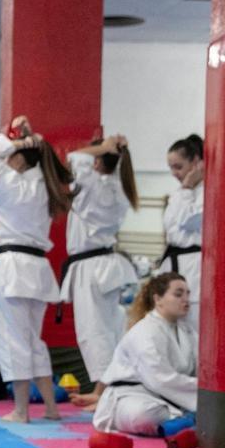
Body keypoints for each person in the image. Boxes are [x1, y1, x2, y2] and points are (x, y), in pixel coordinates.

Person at [0, 115, 74, 423]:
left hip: (12, 266)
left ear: (18, 158)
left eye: (12, 155)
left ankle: (21, 410)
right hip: (37, 269)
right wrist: (28, 140)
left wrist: (14, 140)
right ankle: (51, 408)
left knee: (13, 339)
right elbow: (36, 158)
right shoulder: (45, 186)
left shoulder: (11, 184)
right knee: (33, 339)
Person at [61, 135, 140, 410]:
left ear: (97, 161)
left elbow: (74, 155)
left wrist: (104, 147)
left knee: (94, 332)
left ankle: (104, 393)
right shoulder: (118, 186)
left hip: (93, 269)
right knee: (108, 329)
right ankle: (103, 390)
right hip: (104, 266)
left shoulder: (96, 185)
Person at [93, 272, 196, 436]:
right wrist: (201, 390)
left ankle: (183, 420)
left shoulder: (188, 332)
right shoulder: (145, 331)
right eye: (178, 294)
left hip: (171, 398)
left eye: (187, 294)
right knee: (143, 416)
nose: (185, 299)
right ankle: (189, 420)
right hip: (132, 396)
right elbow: (159, 378)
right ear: (158, 299)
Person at [157, 134, 204, 335]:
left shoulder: (206, 190)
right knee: (171, 330)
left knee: (192, 328)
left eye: (178, 166)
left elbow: (189, 221)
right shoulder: (179, 193)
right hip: (174, 264)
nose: (174, 173)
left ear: (195, 162)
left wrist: (187, 188)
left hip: (193, 265)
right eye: (171, 168)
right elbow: (171, 230)